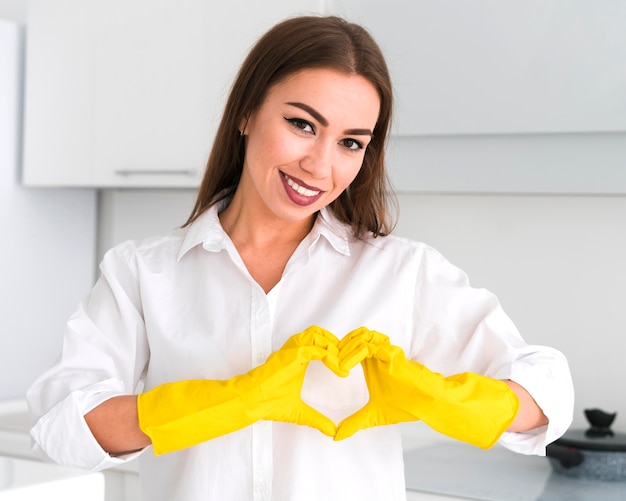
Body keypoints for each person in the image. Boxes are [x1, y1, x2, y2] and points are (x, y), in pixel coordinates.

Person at [27, 15, 574, 501]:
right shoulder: (143, 273)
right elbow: (62, 425)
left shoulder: (402, 273)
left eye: (351, 142)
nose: (320, 165)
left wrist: (440, 398)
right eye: (302, 124)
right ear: (246, 113)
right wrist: (230, 401)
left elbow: (546, 392)